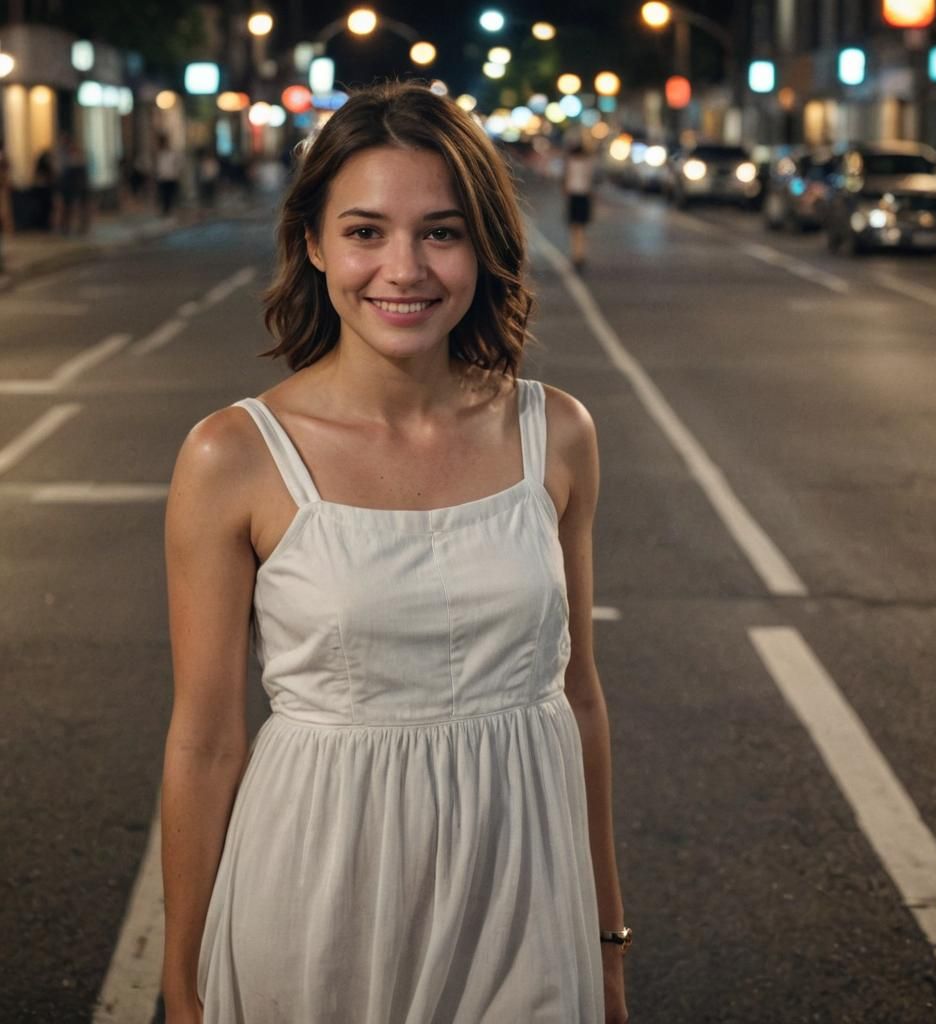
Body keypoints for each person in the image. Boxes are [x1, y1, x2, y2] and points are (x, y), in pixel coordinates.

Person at [161, 80, 630, 1024]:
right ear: (313, 243)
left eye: (442, 232)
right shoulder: (234, 455)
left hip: (525, 892)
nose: (404, 269)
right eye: (366, 231)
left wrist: (608, 942)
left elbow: (579, 696)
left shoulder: (558, 433)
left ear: (483, 246)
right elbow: (206, 744)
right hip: (316, 891)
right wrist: (180, 983)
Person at [564, 139, 597, 271]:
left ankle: (576, 254)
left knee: (575, 228)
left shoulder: (570, 162)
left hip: (574, 196)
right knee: (581, 228)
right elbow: (589, 182)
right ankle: (580, 254)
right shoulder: (587, 163)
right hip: (583, 197)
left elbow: (566, 182)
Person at [155, 134, 182, 217]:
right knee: (164, 196)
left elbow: (177, 165)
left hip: (171, 177)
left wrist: (176, 173)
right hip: (163, 178)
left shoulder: (172, 154)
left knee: (170, 195)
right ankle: (165, 211)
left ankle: (169, 210)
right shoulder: (159, 155)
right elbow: (158, 166)